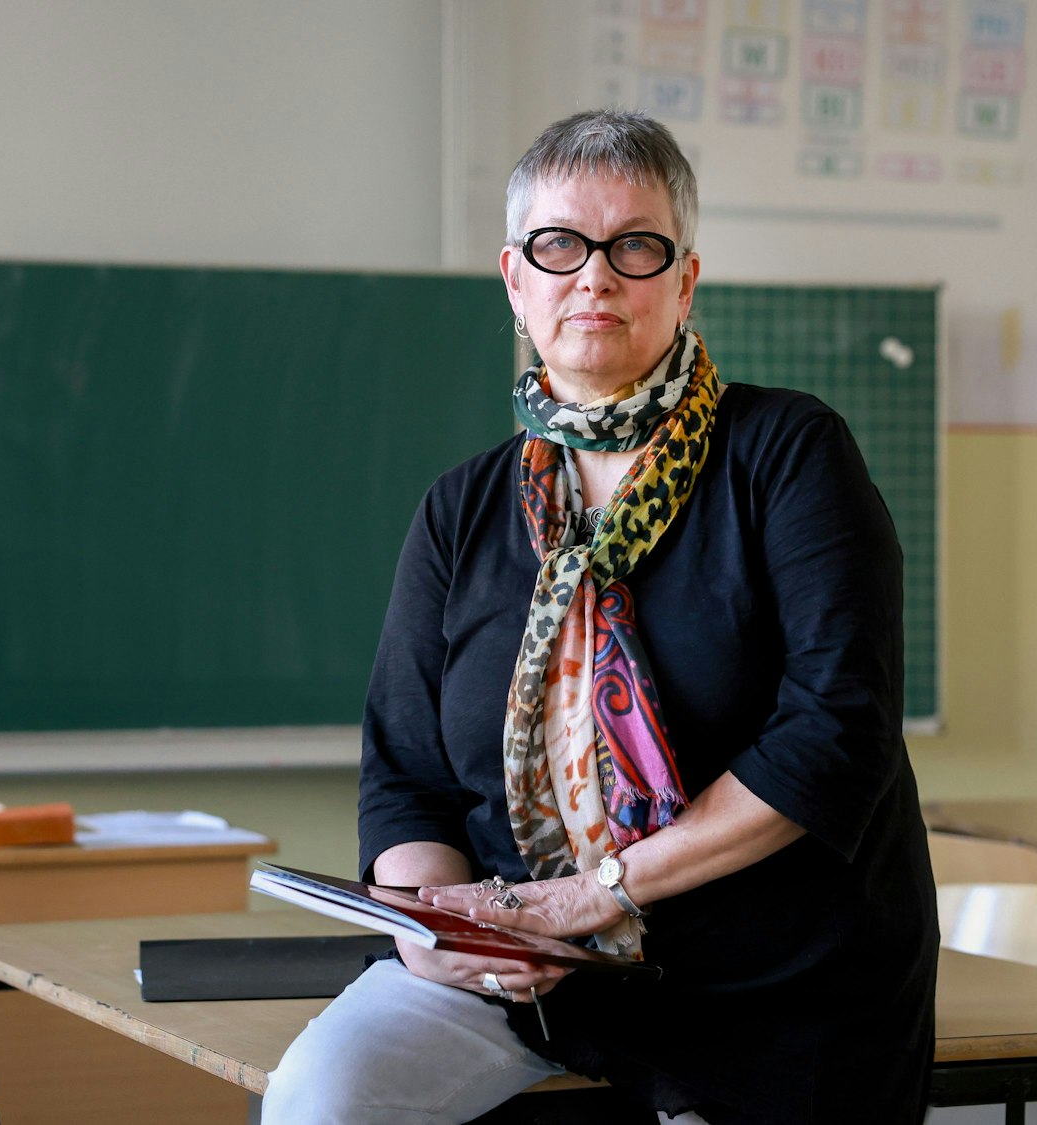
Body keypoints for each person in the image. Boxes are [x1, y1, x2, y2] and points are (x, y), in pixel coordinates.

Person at [262, 108, 937, 1124]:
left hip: (770, 987)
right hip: (522, 969)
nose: (595, 276)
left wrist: (596, 891)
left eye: (635, 246)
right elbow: (405, 775)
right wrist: (435, 933)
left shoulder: (789, 452)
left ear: (684, 280)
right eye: (559, 246)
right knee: (323, 1093)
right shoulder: (461, 507)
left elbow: (836, 731)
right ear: (514, 278)